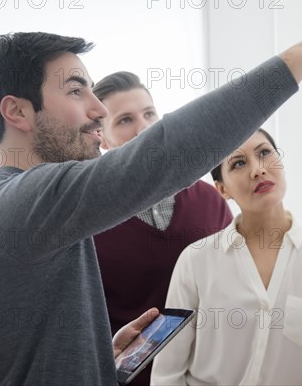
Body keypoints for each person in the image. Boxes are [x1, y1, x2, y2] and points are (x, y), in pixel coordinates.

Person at [0, 0, 302, 384]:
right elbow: (162, 156)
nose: (97, 109)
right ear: (17, 112)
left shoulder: (21, 210)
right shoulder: (12, 206)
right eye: (78, 91)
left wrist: (100, 362)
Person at [151, 129, 302, 385]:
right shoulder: (195, 261)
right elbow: (167, 373)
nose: (258, 169)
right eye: (238, 163)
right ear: (222, 189)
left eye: (265, 153)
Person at [91, 71, 232, 385]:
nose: (144, 128)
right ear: (102, 137)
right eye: (125, 120)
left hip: (210, 376)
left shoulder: (209, 199)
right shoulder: (90, 218)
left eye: (149, 114)